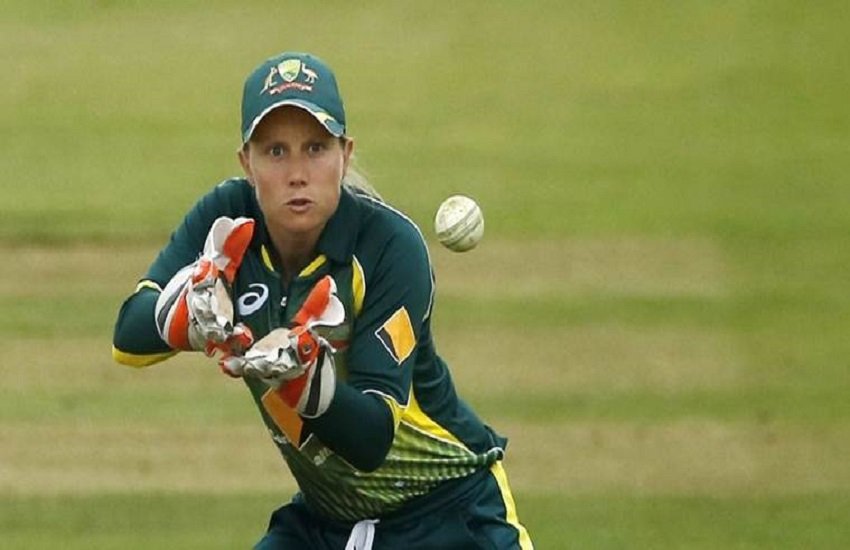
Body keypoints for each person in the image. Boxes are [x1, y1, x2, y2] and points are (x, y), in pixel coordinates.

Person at [112, 51, 533, 550]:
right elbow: (128, 339)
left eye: (316, 148)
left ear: (345, 154)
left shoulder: (388, 246)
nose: (297, 173)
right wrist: (186, 318)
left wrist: (305, 381)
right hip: (326, 521)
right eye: (274, 152)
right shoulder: (227, 220)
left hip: (450, 513)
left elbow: (372, 438)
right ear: (246, 162)